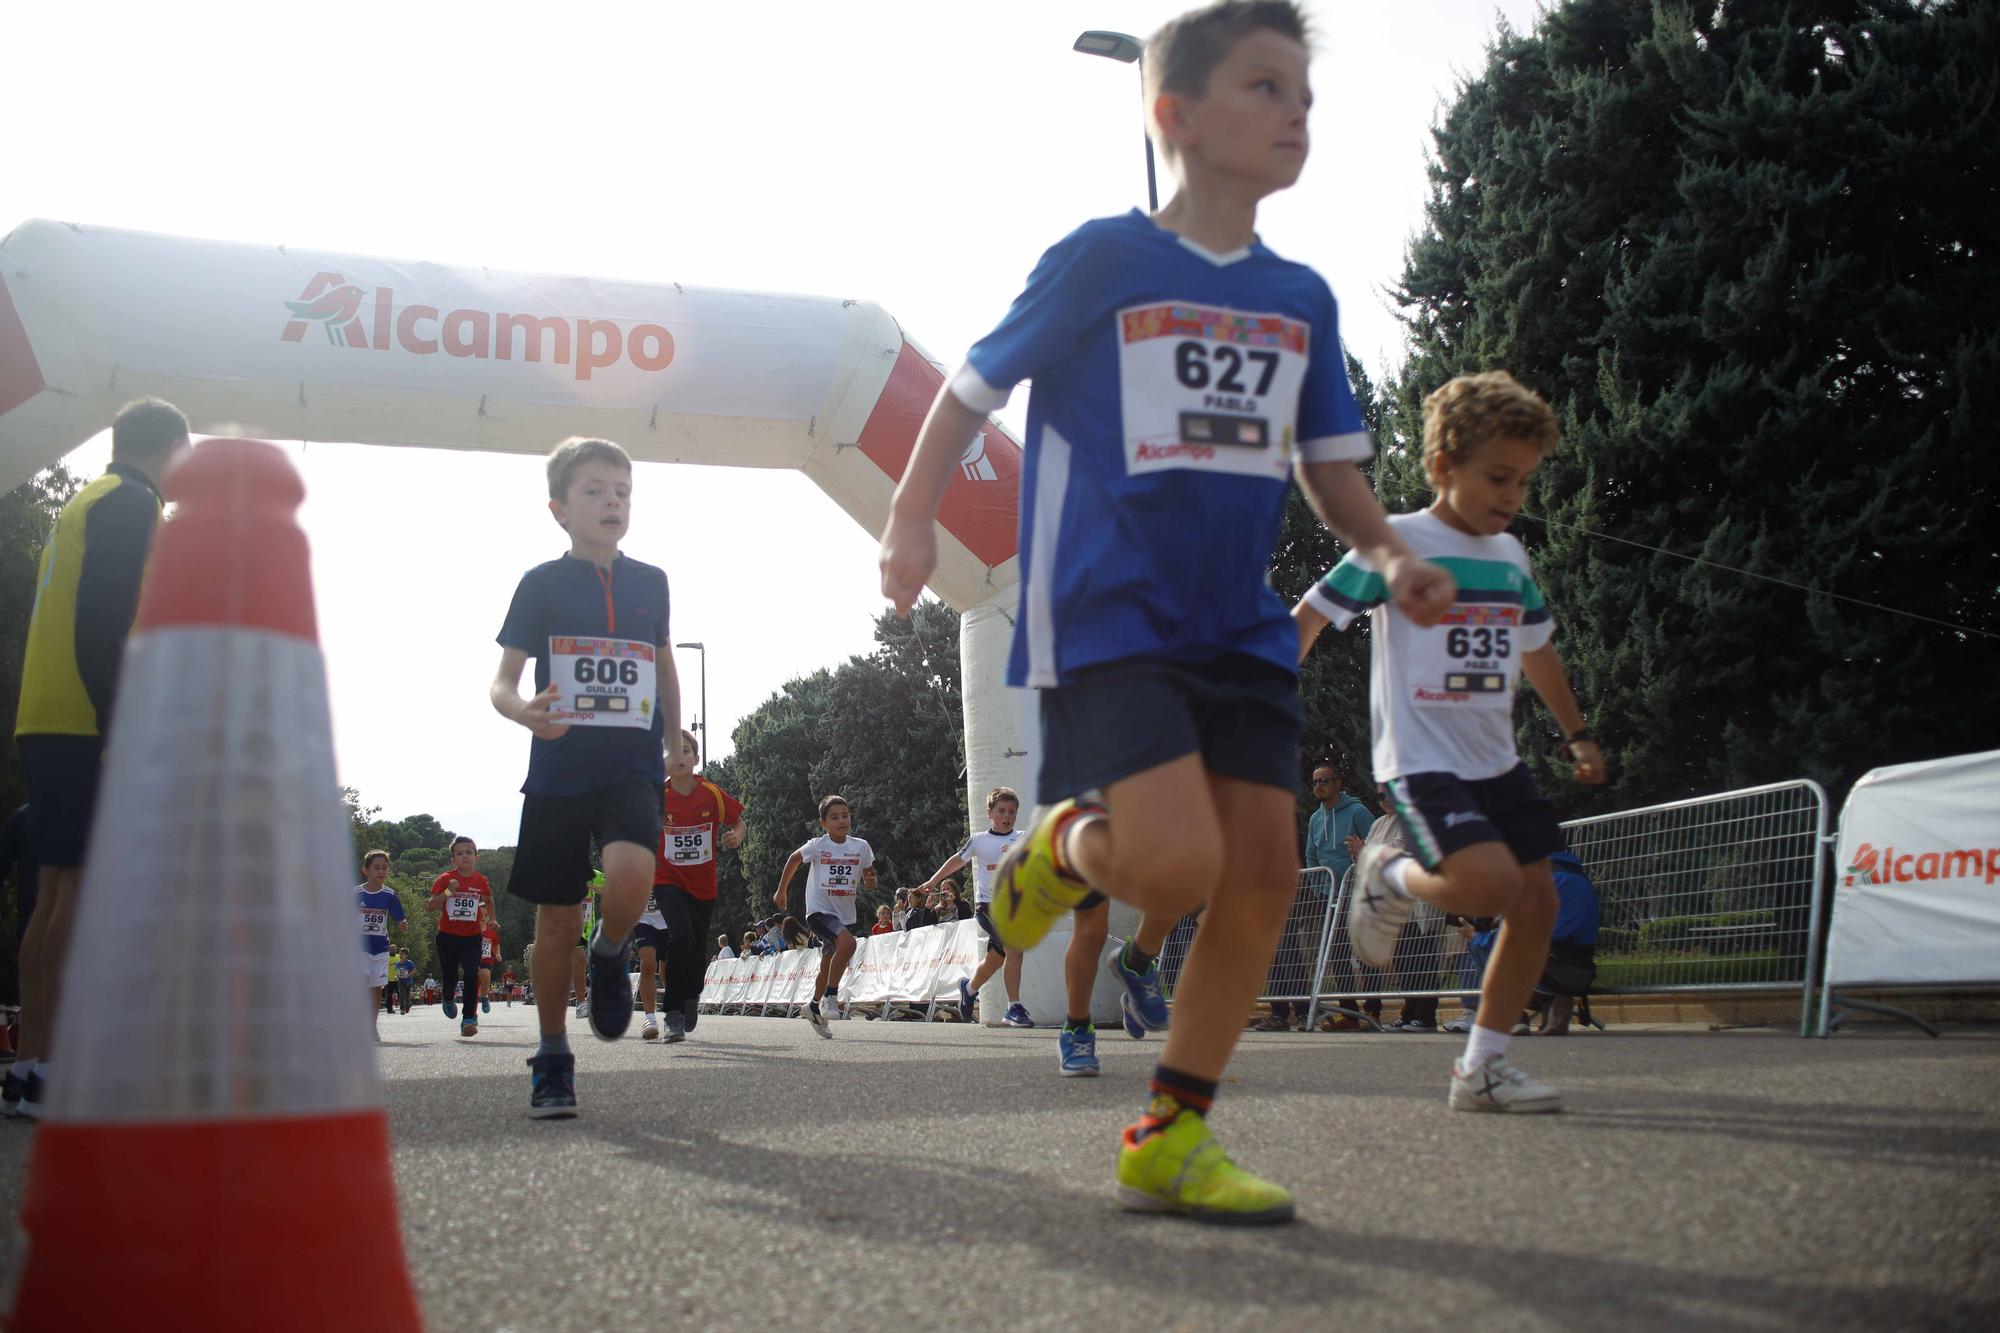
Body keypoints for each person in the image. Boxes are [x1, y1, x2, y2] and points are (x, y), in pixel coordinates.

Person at [877, 1, 1453, 1222]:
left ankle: (1170, 1130)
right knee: (1173, 860)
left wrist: (1390, 553)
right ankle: (1054, 852)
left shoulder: (1300, 295)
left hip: (1235, 621)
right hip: (1104, 605)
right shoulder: (1098, 259)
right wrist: (910, 517)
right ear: (1172, 115)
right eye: (1263, 86)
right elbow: (966, 392)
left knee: (1255, 866)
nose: (1293, 111)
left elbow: (1329, 465)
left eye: (1302, 92)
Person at [1297, 369, 1605, 1113]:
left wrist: (1577, 731)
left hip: (1497, 763)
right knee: (1491, 885)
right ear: (1444, 466)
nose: (1512, 496)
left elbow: (1538, 651)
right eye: (1498, 476)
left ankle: (1482, 1067)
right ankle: (1390, 874)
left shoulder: (1510, 559)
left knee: (1535, 903)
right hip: (1421, 759)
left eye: (1525, 482)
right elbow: (1304, 622)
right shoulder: (1392, 543)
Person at [10, 398, 190, 1119]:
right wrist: (120, 721)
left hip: (46, 712)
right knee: (75, 896)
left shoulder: (90, 496)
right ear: (170, 447)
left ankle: (29, 1066)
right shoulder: (134, 501)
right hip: (88, 720)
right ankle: (57, 1069)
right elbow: (105, 618)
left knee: (53, 891)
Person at [491, 436, 680, 1117]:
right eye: (595, 491)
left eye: (623, 492)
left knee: (632, 878)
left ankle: (609, 951)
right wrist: (522, 711)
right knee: (555, 918)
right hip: (559, 769)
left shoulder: (651, 581)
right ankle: (552, 1054)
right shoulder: (540, 584)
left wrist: (674, 730)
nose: (612, 502)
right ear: (559, 508)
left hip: (630, 764)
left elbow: (662, 660)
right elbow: (501, 682)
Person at [639, 728, 745, 1041]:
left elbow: (739, 821)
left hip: (703, 886)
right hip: (668, 880)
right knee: (680, 936)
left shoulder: (710, 794)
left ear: (696, 758)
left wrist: (737, 835)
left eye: (686, 750)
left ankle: (691, 996)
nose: (680, 756)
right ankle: (671, 1013)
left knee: (697, 952)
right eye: (671, 751)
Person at [921, 787, 1031, 1025]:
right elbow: (956, 861)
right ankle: (1014, 1007)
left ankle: (969, 989)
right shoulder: (980, 840)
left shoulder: (1023, 838)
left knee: (996, 958)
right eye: (1001, 811)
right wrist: (933, 881)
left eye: (1012, 812)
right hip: (988, 907)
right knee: (1014, 948)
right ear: (990, 813)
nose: (1007, 816)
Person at [772, 794, 876, 1037]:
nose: (842, 821)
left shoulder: (861, 847)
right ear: (824, 823)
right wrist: (781, 890)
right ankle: (831, 996)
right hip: (818, 912)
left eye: (845, 816)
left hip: (844, 915)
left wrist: (870, 881)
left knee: (827, 964)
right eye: (834, 817)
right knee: (848, 943)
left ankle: (813, 1006)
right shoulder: (818, 845)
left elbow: (870, 878)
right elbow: (794, 859)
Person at [1298, 765, 1373, 1030]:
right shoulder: (1315, 819)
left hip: (1359, 894)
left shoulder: (1357, 812)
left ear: (1338, 783)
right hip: (1330, 897)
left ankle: (1372, 1010)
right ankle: (1349, 1013)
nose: (1318, 786)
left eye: (1324, 781)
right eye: (1315, 781)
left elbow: (1375, 844)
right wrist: (1321, 888)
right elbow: (1311, 856)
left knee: (1365, 952)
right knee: (1337, 953)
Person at [428, 836, 493, 1038]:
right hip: (447, 936)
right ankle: (448, 998)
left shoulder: (481, 880)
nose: (465, 856)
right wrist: (449, 892)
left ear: (476, 857)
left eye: (469, 852)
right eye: (459, 853)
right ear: (453, 859)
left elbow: (489, 899)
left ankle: (468, 1019)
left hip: (472, 936)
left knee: (472, 974)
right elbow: (430, 906)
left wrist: (493, 920)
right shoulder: (446, 879)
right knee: (450, 976)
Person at [356, 850, 407, 1040]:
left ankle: (372, 1027)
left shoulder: (389, 895)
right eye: (376, 868)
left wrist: (402, 924)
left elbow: (399, 917)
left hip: (380, 948)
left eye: (384, 868)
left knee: (376, 988)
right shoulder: (356, 893)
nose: (381, 871)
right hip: (359, 947)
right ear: (365, 870)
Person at [479, 918, 501, 1015]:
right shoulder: (471, 929)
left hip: (486, 960)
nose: (483, 917)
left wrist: (497, 954)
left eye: (486, 914)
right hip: (472, 959)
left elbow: (496, 944)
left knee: (486, 974)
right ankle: (471, 1014)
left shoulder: (491, 932)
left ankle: (484, 997)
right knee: (472, 986)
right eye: (481, 913)